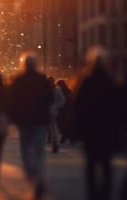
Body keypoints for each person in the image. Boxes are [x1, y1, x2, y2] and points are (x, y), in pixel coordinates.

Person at [75, 48, 120, 200]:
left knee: (91, 163)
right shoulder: (111, 82)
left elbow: (78, 107)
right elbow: (118, 107)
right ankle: (106, 192)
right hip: (107, 130)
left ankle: (92, 193)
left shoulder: (86, 82)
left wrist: (78, 129)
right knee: (106, 163)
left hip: (90, 131)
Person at [9, 52, 53, 199]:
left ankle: (31, 176)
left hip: (24, 120)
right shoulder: (42, 79)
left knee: (26, 148)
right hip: (40, 120)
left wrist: (13, 118)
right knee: (39, 150)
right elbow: (49, 98)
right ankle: (39, 177)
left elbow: (12, 100)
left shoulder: (19, 80)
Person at [47, 77, 65, 153]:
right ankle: (53, 143)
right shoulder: (44, 89)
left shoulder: (57, 90)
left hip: (51, 112)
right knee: (48, 129)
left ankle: (55, 144)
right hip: (44, 112)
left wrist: (55, 106)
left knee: (52, 129)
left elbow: (62, 100)